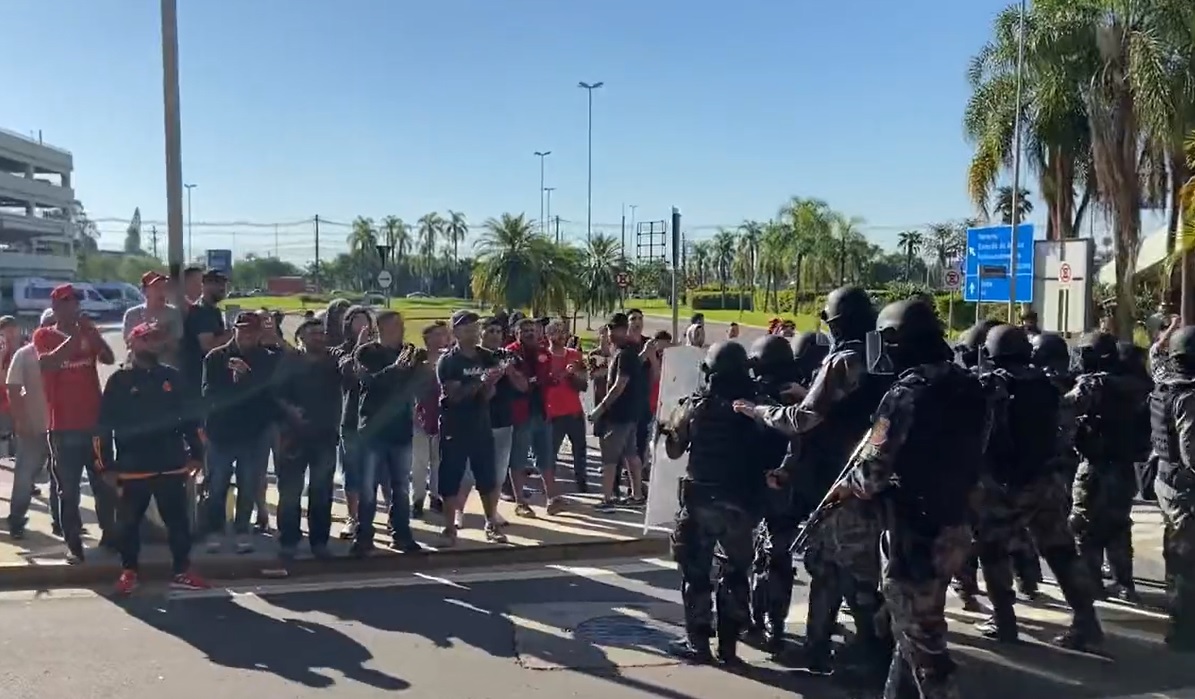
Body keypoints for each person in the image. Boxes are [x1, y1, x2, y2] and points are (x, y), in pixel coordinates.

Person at [837, 299, 989, 698]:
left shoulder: (905, 393)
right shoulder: (971, 385)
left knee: (924, 645)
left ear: (897, 341)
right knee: (910, 630)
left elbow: (871, 473)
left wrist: (847, 488)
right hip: (956, 522)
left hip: (915, 533)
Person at [735, 286, 892, 669]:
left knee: (849, 574)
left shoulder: (844, 360)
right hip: (875, 475)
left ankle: (874, 657)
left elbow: (802, 420)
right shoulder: (885, 357)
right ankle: (820, 646)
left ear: (836, 324)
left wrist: (759, 411)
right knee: (832, 567)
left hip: (841, 481)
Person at [971, 324, 1104, 650]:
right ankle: (1087, 622)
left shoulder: (993, 384)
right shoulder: (1043, 383)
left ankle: (1004, 621)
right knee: (1061, 552)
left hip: (1005, 485)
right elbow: (1062, 426)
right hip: (1045, 482)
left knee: (993, 551)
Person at [661, 341, 769, 664]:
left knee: (696, 574)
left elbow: (674, 450)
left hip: (701, 501)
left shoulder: (696, 406)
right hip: (741, 502)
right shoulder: (757, 406)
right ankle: (729, 649)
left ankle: (698, 644)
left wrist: (668, 426)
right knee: (735, 574)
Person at [96, 322, 208, 594]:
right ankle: (129, 571)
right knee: (128, 524)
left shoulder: (172, 377)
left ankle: (182, 571)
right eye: (146, 338)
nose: (153, 343)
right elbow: (102, 428)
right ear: (132, 343)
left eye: (157, 339)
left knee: (178, 522)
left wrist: (197, 454)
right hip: (133, 468)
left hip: (171, 465)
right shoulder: (119, 381)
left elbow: (190, 420)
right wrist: (105, 466)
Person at [1067, 330, 1153, 604]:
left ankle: (1092, 584)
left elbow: (1065, 410)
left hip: (1094, 466)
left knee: (1085, 527)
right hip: (1125, 466)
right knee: (1118, 526)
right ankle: (1124, 584)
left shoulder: (1092, 384)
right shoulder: (1134, 384)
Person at [34, 284, 118, 562]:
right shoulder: (44, 335)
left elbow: (108, 358)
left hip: (95, 425)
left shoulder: (87, 332)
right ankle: (74, 544)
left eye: (75, 302)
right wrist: (76, 335)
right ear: (56, 307)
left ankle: (110, 536)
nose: (74, 306)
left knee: (104, 483)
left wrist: (93, 335)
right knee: (68, 490)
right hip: (63, 426)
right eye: (67, 302)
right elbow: (49, 363)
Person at [745, 334, 805, 652]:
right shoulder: (800, 392)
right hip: (784, 485)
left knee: (767, 557)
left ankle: (765, 622)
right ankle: (770, 622)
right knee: (775, 556)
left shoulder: (780, 396)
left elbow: (795, 440)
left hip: (773, 484)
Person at [201, 311, 280, 554]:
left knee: (248, 484)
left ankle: (242, 530)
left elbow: (270, 396)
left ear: (259, 333)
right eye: (241, 329)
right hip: (221, 433)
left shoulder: (268, 359)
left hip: (253, 433)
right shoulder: (215, 357)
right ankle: (215, 531)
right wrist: (234, 385)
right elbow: (208, 393)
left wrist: (247, 377)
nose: (246, 334)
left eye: (251, 330)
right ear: (234, 329)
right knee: (217, 484)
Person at [352, 310, 426, 555]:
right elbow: (370, 382)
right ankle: (363, 536)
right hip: (373, 430)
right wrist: (396, 369)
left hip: (401, 429)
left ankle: (401, 534)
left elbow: (417, 385)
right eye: (395, 326)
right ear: (381, 329)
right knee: (368, 487)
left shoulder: (409, 353)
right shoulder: (367, 353)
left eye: (402, 325)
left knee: (401, 487)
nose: (401, 330)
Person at [273, 317, 343, 560]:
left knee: (322, 491)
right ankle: (289, 540)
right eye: (313, 333)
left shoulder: (333, 362)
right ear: (300, 337)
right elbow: (275, 394)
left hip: (324, 435)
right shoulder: (289, 361)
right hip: (293, 436)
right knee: (290, 491)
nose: (319, 337)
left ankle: (319, 542)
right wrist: (291, 411)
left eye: (321, 333)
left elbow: (351, 380)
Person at [436, 310, 507, 545]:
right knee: (450, 479)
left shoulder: (486, 357)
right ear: (456, 332)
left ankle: (491, 523)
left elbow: (489, 395)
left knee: (487, 479)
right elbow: (454, 396)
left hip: (481, 426)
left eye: (475, 327)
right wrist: (481, 381)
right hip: (454, 428)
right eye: (467, 328)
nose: (473, 332)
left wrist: (491, 384)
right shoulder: (449, 361)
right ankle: (449, 529)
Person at [1149, 323, 1195, 651]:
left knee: (1176, 554)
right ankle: (1183, 632)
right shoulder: (1189, 396)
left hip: (1166, 482)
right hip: (1185, 489)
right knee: (1186, 563)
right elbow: (1192, 453)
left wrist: (1169, 332)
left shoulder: (1163, 381)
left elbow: (1154, 355)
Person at [6, 309, 60, 538]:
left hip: (62, 428)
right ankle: (16, 520)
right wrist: (21, 420)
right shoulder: (25, 354)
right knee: (24, 476)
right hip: (33, 428)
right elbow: (13, 387)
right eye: (48, 324)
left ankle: (62, 522)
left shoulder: (68, 354)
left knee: (61, 478)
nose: (51, 328)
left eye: (55, 324)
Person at [589, 313, 648, 512]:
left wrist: (600, 408)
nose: (610, 334)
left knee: (609, 457)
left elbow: (619, 384)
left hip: (619, 414)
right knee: (631, 454)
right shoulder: (627, 352)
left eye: (613, 329)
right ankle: (637, 495)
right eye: (609, 329)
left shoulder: (624, 354)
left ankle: (607, 499)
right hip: (630, 414)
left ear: (622, 330)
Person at [332, 305, 372, 539]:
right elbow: (348, 372)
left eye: (365, 321)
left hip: (375, 420)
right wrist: (359, 346)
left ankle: (382, 518)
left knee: (379, 474)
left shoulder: (379, 350)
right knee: (352, 472)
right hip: (351, 419)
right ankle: (352, 517)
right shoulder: (340, 351)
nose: (362, 325)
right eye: (357, 321)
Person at [542, 320, 589, 495]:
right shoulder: (543, 357)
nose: (561, 335)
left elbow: (584, 385)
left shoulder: (575, 355)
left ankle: (581, 481)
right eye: (556, 332)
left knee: (580, 449)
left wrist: (574, 376)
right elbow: (543, 383)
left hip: (574, 412)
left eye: (563, 332)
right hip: (552, 413)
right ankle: (550, 486)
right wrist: (563, 373)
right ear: (548, 335)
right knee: (550, 452)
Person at [412, 321, 450, 518]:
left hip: (443, 418)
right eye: (437, 334)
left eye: (443, 334)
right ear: (427, 339)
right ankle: (417, 500)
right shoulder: (417, 361)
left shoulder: (449, 360)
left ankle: (436, 497)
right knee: (419, 463)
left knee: (439, 461)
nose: (441, 338)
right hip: (420, 417)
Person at [180, 269, 230, 397]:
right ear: (204, 285)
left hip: (210, 375)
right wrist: (233, 334)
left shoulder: (213, 310)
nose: (222, 287)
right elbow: (208, 346)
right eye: (216, 282)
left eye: (224, 283)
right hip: (198, 378)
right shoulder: (201, 311)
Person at [122, 271, 183, 366]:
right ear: (145, 291)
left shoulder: (174, 313)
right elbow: (130, 342)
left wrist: (151, 337)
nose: (162, 292)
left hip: (166, 366)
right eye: (157, 287)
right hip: (138, 367)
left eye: (165, 287)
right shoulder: (132, 314)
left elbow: (176, 343)